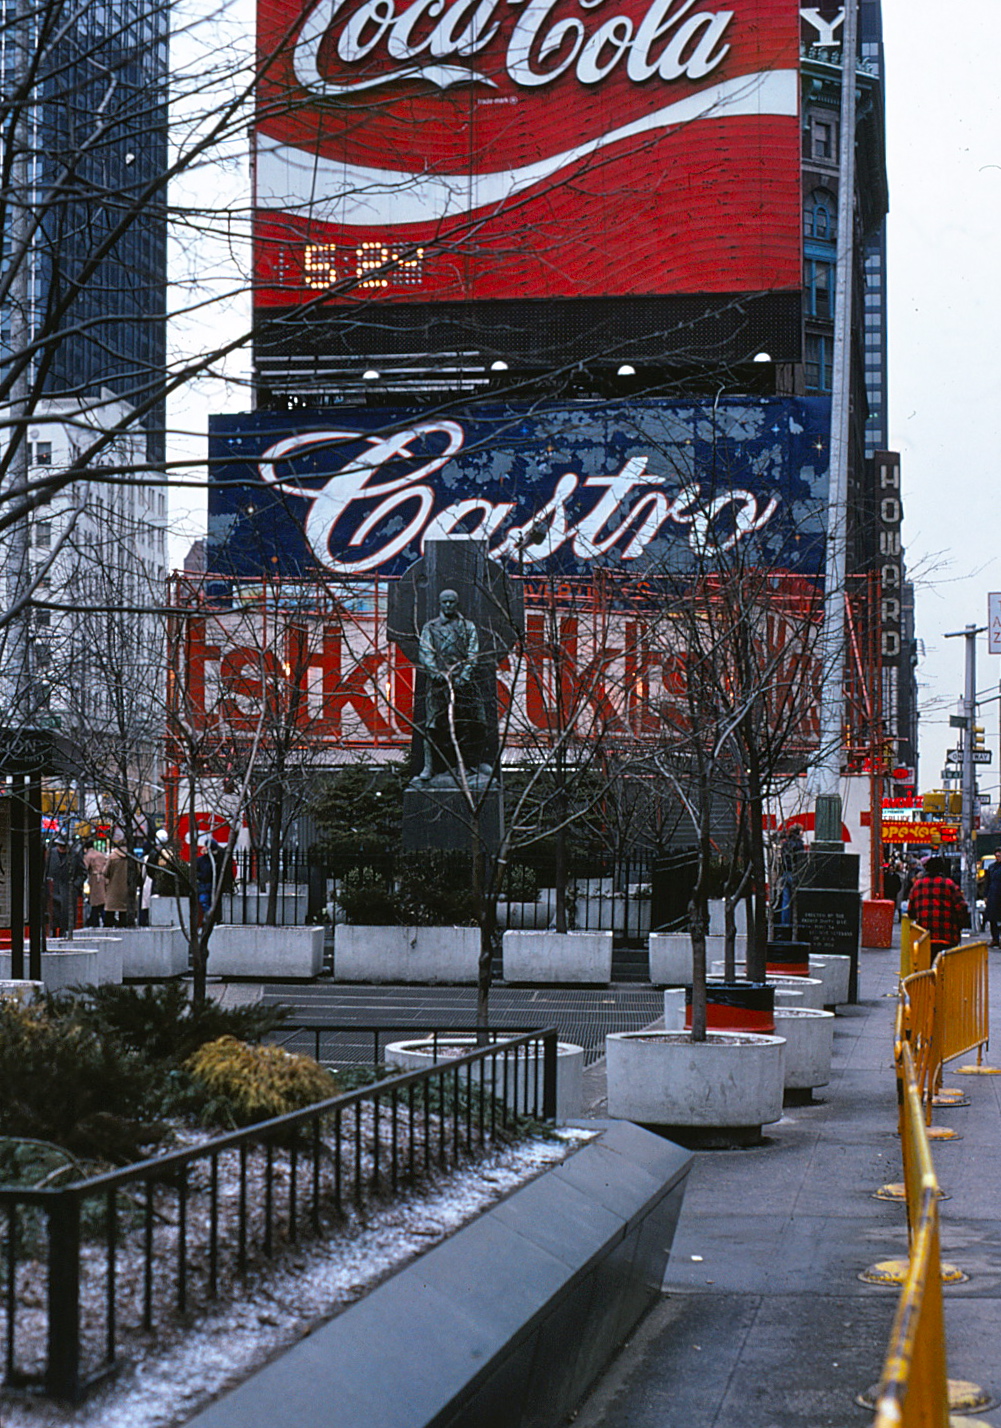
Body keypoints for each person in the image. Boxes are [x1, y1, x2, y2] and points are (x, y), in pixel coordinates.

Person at [417, 588, 488, 781]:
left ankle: (465, 766)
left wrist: (463, 676)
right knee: (432, 726)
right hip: (438, 685)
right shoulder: (430, 627)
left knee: (466, 725)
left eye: (451, 602)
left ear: (457, 603)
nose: (448, 605)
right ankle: (429, 767)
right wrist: (436, 673)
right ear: (440, 603)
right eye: (445, 602)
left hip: (463, 685)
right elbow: (425, 651)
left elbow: (473, 652)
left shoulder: (467, 626)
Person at [904, 855, 971, 959]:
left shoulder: (918, 885)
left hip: (924, 937)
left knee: (927, 966)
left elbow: (911, 912)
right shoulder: (948, 884)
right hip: (947, 934)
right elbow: (961, 906)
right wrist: (961, 923)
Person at [104, 839, 132, 927]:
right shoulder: (131, 857)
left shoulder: (112, 857)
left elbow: (105, 872)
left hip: (113, 887)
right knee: (124, 912)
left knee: (110, 910)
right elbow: (137, 872)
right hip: (127, 888)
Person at [82, 839, 108, 927]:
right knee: (101, 901)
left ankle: (96, 920)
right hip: (103, 878)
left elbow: (84, 867)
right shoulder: (101, 854)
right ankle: (98, 919)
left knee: (96, 902)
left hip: (95, 879)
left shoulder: (88, 856)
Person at [982, 849, 1001, 948]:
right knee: (992, 918)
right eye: (997, 856)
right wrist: (985, 895)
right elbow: (987, 882)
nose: (998, 857)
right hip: (993, 895)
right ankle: (995, 939)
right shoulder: (992, 867)